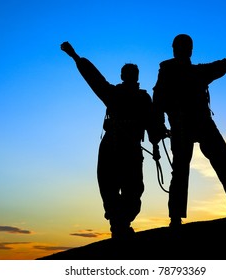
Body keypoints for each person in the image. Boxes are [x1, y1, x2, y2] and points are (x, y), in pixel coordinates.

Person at [152, 31, 226, 227]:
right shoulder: (178, 72)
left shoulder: (187, 72)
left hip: (195, 125)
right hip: (189, 126)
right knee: (191, 170)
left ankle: (179, 217)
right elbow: (158, 100)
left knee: (219, 165)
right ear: (186, 50)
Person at [61, 42, 161, 239]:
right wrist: (74, 56)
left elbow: (93, 77)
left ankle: (119, 224)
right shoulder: (123, 96)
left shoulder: (122, 96)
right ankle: (119, 225)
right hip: (119, 148)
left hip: (121, 148)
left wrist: (74, 56)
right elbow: (93, 76)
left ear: (125, 76)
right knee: (115, 189)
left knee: (125, 191)